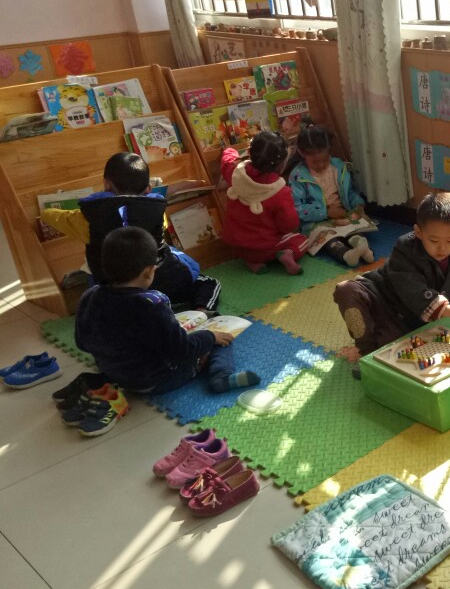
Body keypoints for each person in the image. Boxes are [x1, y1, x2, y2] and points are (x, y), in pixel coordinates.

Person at [75, 226, 260, 395]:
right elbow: (182, 351)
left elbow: (81, 343)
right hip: (157, 379)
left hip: (114, 374)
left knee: (200, 323)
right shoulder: (151, 305)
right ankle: (221, 376)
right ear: (148, 272)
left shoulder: (90, 295)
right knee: (219, 336)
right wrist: (210, 337)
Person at [41, 152, 220, 311]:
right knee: (209, 282)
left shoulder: (86, 218)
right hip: (160, 282)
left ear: (106, 184)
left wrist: (46, 212)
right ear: (148, 188)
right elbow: (159, 227)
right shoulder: (157, 210)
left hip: (112, 290)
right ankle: (201, 309)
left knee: (92, 281)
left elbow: (49, 215)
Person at [333, 192, 450, 371]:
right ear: (418, 232)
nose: (442, 248)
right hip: (381, 298)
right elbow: (414, 292)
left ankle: (380, 344)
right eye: (434, 240)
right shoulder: (405, 248)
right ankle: (366, 352)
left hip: (409, 320)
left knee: (395, 351)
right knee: (346, 290)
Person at [284, 122, 374, 268]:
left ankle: (363, 249)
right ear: (302, 153)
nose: (321, 165)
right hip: (315, 221)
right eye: (315, 162)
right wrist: (326, 212)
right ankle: (346, 255)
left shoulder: (338, 167)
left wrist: (357, 205)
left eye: (325, 160)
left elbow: (350, 192)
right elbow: (297, 208)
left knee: (355, 230)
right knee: (327, 238)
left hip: (342, 214)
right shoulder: (298, 176)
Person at [221, 131, 307, 275]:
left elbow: (226, 159)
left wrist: (228, 150)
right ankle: (288, 254)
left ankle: (253, 263)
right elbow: (289, 225)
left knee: (249, 247)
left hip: (238, 247)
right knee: (301, 239)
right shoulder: (280, 192)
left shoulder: (234, 172)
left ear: (249, 152)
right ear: (282, 163)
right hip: (267, 248)